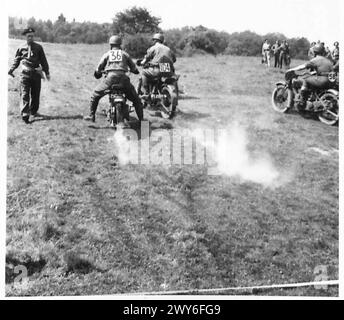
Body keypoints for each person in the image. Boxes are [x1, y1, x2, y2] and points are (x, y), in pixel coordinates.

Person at [84, 35, 143, 123]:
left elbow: (99, 68)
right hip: (124, 80)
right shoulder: (125, 54)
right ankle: (142, 120)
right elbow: (134, 68)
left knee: (95, 95)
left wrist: (98, 73)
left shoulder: (107, 54)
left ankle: (91, 115)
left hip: (110, 79)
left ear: (110, 44)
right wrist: (135, 71)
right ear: (120, 44)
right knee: (136, 100)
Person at [8, 27, 50, 123]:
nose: (30, 38)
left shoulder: (39, 48)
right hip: (25, 74)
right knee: (24, 94)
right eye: (28, 36)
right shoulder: (21, 48)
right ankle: (25, 113)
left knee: (35, 94)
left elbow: (44, 61)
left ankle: (33, 111)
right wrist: (11, 69)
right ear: (25, 37)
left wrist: (47, 73)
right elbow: (16, 60)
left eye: (32, 36)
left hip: (36, 74)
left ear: (34, 36)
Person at [286, 43, 334, 110]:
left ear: (314, 52)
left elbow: (303, 66)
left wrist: (292, 69)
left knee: (305, 79)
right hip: (330, 81)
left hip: (322, 80)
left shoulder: (316, 59)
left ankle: (302, 101)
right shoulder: (328, 61)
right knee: (311, 80)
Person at [140, 33, 177, 99]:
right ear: (162, 40)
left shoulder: (153, 48)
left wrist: (142, 63)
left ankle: (146, 93)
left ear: (155, 40)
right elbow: (174, 59)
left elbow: (146, 59)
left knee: (144, 73)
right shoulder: (168, 49)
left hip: (157, 69)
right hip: (167, 69)